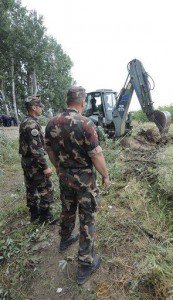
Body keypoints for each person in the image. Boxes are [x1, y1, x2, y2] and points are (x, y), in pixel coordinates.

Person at [45, 86, 110, 285]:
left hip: (64, 177)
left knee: (67, 209)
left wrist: (58, 167)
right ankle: (85, 265)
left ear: (67, 101)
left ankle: (65, 239)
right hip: (84, 181)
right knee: (87, 219)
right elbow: (96, 154)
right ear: (82, 103)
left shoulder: (51, 123)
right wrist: (106, 176)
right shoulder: (86, 123)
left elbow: (49, 149)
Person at [19, 96, 55, 224]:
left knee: (31, 188)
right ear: (33, 108)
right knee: (46, 188)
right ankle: (46, 217)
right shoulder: (32, 124)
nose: (42, 108)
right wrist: (45, 167)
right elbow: (37, 150)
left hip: (26, 161)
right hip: (35, 163)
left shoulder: (25, 121)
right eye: (40, 106)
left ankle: (34, 215)